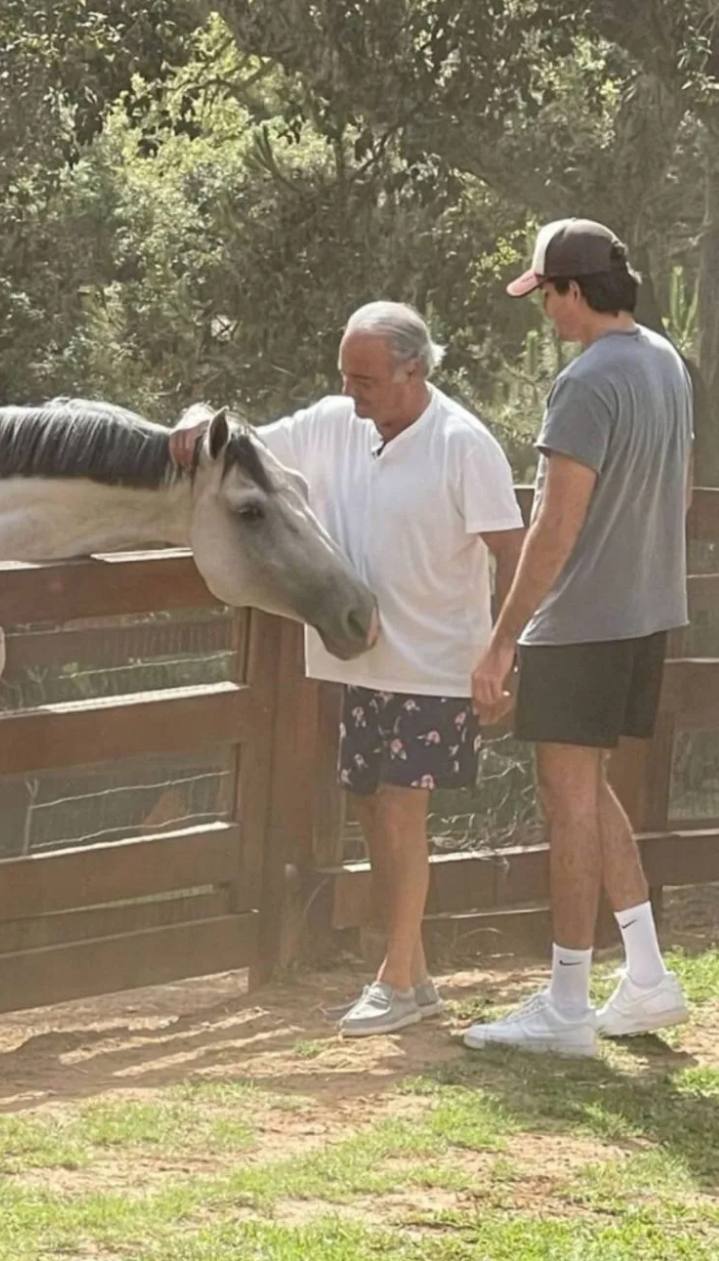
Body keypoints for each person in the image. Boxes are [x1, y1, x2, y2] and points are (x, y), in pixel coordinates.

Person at [170, 302, 524, 1034]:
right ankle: (415, 975)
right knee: (371, 812)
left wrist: (501, 651)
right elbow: (234, 444)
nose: (353, 392)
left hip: (435, 667)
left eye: (366, 379)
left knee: (400, 814)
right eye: (346, 376)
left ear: (413, 370)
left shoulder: (464, 444)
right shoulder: (334, 424)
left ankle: (394, 979)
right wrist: (201, 411)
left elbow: (513, 555)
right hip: (360, 666)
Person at [466, 219, 694, 1058]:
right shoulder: (666, 363)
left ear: (571, 289)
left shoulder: (585, 382)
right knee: (589, 789)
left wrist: (500, 644)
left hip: (581, 621)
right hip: (644, 612)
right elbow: (674, 494)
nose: (545, 313)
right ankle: (645, 978)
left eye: (546, 295)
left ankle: (566, 1003)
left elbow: (552, 529)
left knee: (568, 804)